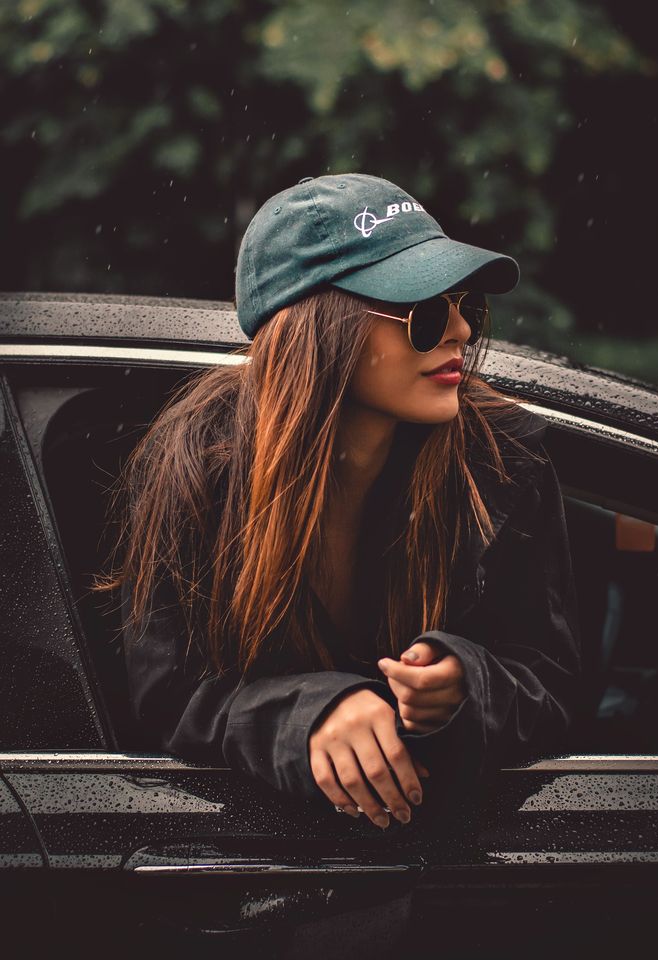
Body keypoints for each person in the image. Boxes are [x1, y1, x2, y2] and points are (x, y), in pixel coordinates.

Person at [96, 173, 582, 832]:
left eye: (465, 305)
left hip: (461, 860)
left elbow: (553, 684)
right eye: (425, 315)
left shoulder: (500, 462)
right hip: (241, 865)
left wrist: (465, 683)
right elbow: (164, 694)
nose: (461, 331)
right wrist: (305, 715)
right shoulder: (194, 463)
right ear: (321, 331)